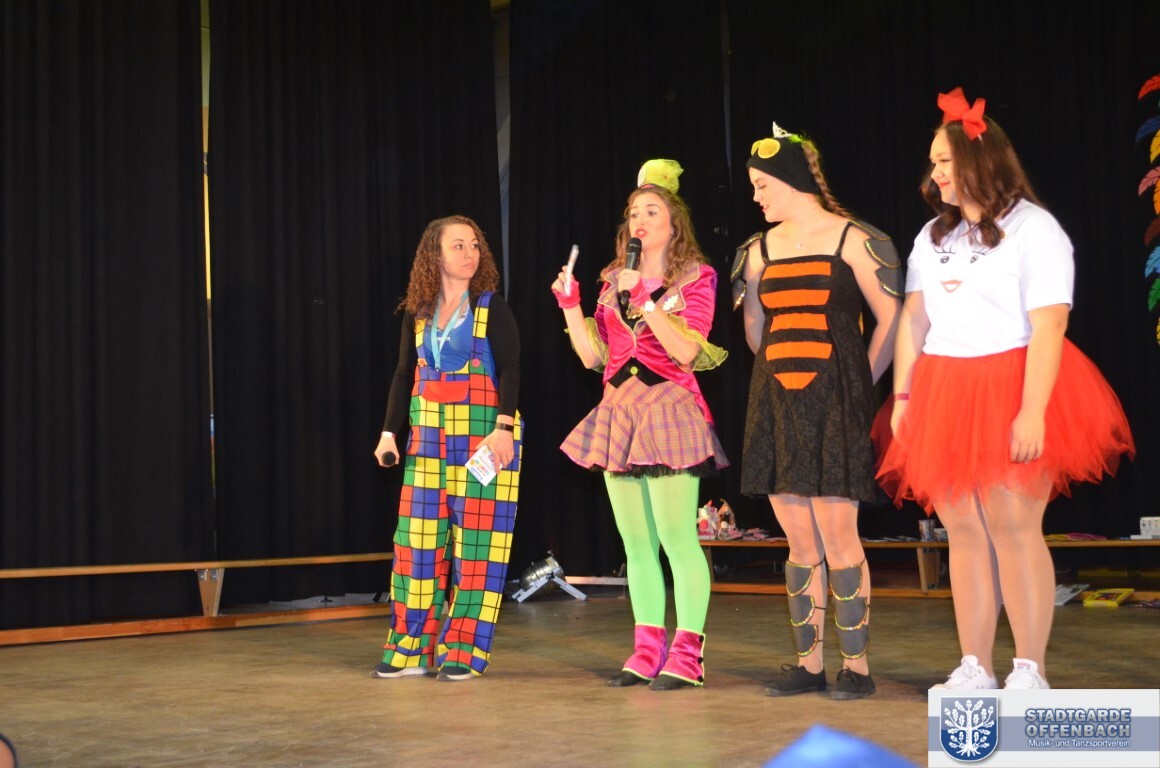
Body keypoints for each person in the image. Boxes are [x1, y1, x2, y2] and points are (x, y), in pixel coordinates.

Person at [877, 88, 1135, 690]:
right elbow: (913, 322)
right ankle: (975, 666)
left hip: (1015, 383)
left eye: (945, 161)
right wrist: (905, 399)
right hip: (945, 388)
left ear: (979, 160)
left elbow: (1050, 325)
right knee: (964, 533)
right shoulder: (932, 236)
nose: (935, 174)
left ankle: (1029, 668)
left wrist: (1032, 411)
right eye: (933, 163)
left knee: (1014, 528)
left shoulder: (1034, 229)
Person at [733, 124, 902, 700]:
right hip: (777, 402)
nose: (755, 195)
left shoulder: (856, 238)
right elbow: (755, 328)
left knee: (839, 535)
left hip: (837, 402)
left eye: (762, 184)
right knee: (799, 542)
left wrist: (858, 382)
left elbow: (892, 319)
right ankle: (809, 665)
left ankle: (857, 668)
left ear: (790, 179)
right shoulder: (756, 251)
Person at [552, 159, 728, 690]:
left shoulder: (696, 277)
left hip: (669, 409)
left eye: (652, 211)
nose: (641, 221)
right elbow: (592, 357)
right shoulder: (611, 279)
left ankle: (689, 654)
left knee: (677, 537)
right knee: (635, 542)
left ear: (674, 224)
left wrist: (647, 299)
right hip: (619, 412)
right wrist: (570, 306)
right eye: (634, 213)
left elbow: (687, 352)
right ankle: (647, 649)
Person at [372, 214, 522, 682]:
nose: (469, 253)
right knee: (416, 544)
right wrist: (388, 433)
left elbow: (512, 368)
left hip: (483, 440)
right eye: (458, 245)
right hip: (429, 441)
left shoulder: (490, 307)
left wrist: (503, 427)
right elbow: (404, 374)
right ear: (434, 255)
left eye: (474, 245)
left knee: (478, 549)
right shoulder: (419, 313)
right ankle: (411, 647)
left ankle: (463, 650)